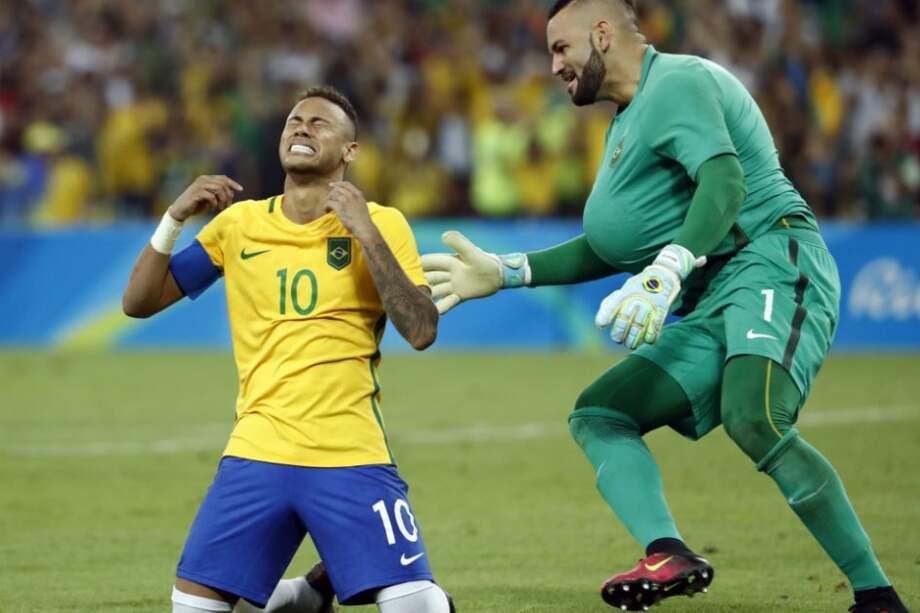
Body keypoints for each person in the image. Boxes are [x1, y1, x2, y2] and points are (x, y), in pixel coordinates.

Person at [421, 1, 909, 612]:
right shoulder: (626, 123)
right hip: (710, 295)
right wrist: (509, 271)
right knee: (599, 413)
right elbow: (613, 245)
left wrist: (672, 267)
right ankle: (668, 551)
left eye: (561, 48)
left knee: (753, 413)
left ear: (602, 34)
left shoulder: (677, 83)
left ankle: (878, 597)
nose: (553, 67)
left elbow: (725, 184)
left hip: (774, 260)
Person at [123, 85, 454, 613]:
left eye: (320, 123)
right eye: (294, 121)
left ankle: (307, 593)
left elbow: (420, 330)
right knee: (189, 608)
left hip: (350, 450)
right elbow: (138, 303)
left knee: (418, 605)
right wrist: (174, 218)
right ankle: (305, 596)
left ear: (350, 151)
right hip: (257, 449)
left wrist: (366, 233)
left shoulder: (383, 223)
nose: (301, 128)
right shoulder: (239, 225)